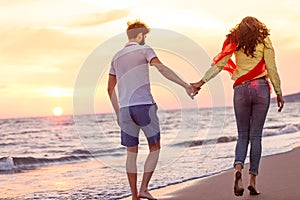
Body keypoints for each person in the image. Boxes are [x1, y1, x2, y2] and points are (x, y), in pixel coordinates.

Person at [191, 16, 284, 197]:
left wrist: (200, 83)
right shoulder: (264, 39)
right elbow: (272, 67)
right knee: (256, 136)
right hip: (260, 88)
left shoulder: (234, 41)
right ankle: (252, 181)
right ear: (259, 27)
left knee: (243, 135)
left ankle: (237, 168)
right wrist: (279, 92)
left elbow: (219, 64)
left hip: (241, 89)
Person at [107, 20, 194, 200]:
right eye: (144, 36)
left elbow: (109, 89)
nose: (145, 39)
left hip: (125, 110)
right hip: (144, 106)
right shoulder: (145, 50)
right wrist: (185, 85)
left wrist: (118, 113)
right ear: (139, 35)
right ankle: (144, 188)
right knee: (154, 147)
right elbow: (161, 69)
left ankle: (134, 195)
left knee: (131, 153)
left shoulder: (116, 56)